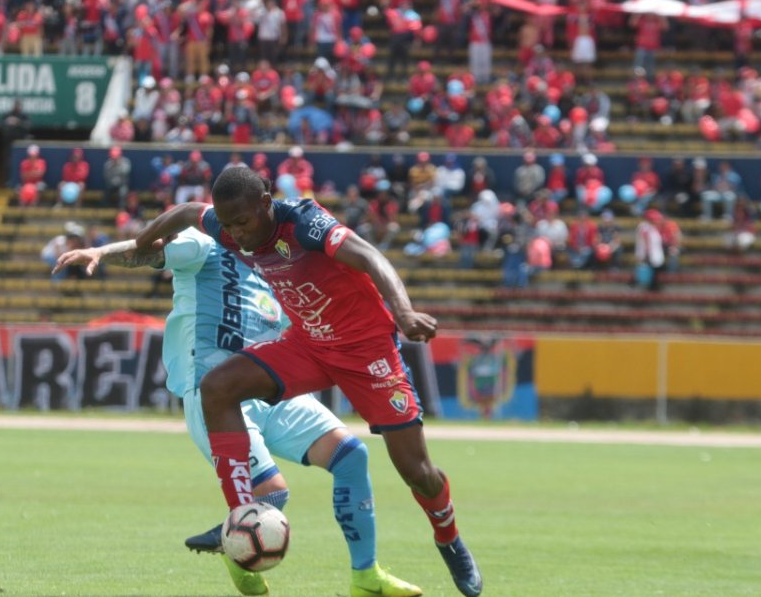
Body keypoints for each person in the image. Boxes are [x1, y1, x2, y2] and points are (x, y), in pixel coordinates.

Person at [132, 167, 483, 597]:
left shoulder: (305, 223)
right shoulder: (229, 226)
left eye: (242, 222)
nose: (236, 233)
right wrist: (141, 240)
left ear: (265, 204)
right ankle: (244, 513)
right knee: (217, 386)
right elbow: (188, 212)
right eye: (227, 225)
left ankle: (448, 539)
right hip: (309, 345)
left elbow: (370, 256)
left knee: (418, 472)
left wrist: (405, 312)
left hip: (366, 352)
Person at [52, 223, 422, 597]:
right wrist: (102, 252)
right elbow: (152, 250)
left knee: (351, 457)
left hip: (268, 385)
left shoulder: (273, 261)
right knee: (273, 495)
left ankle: (366, 576)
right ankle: (237, 545)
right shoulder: (205, 243)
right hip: (217, 395)